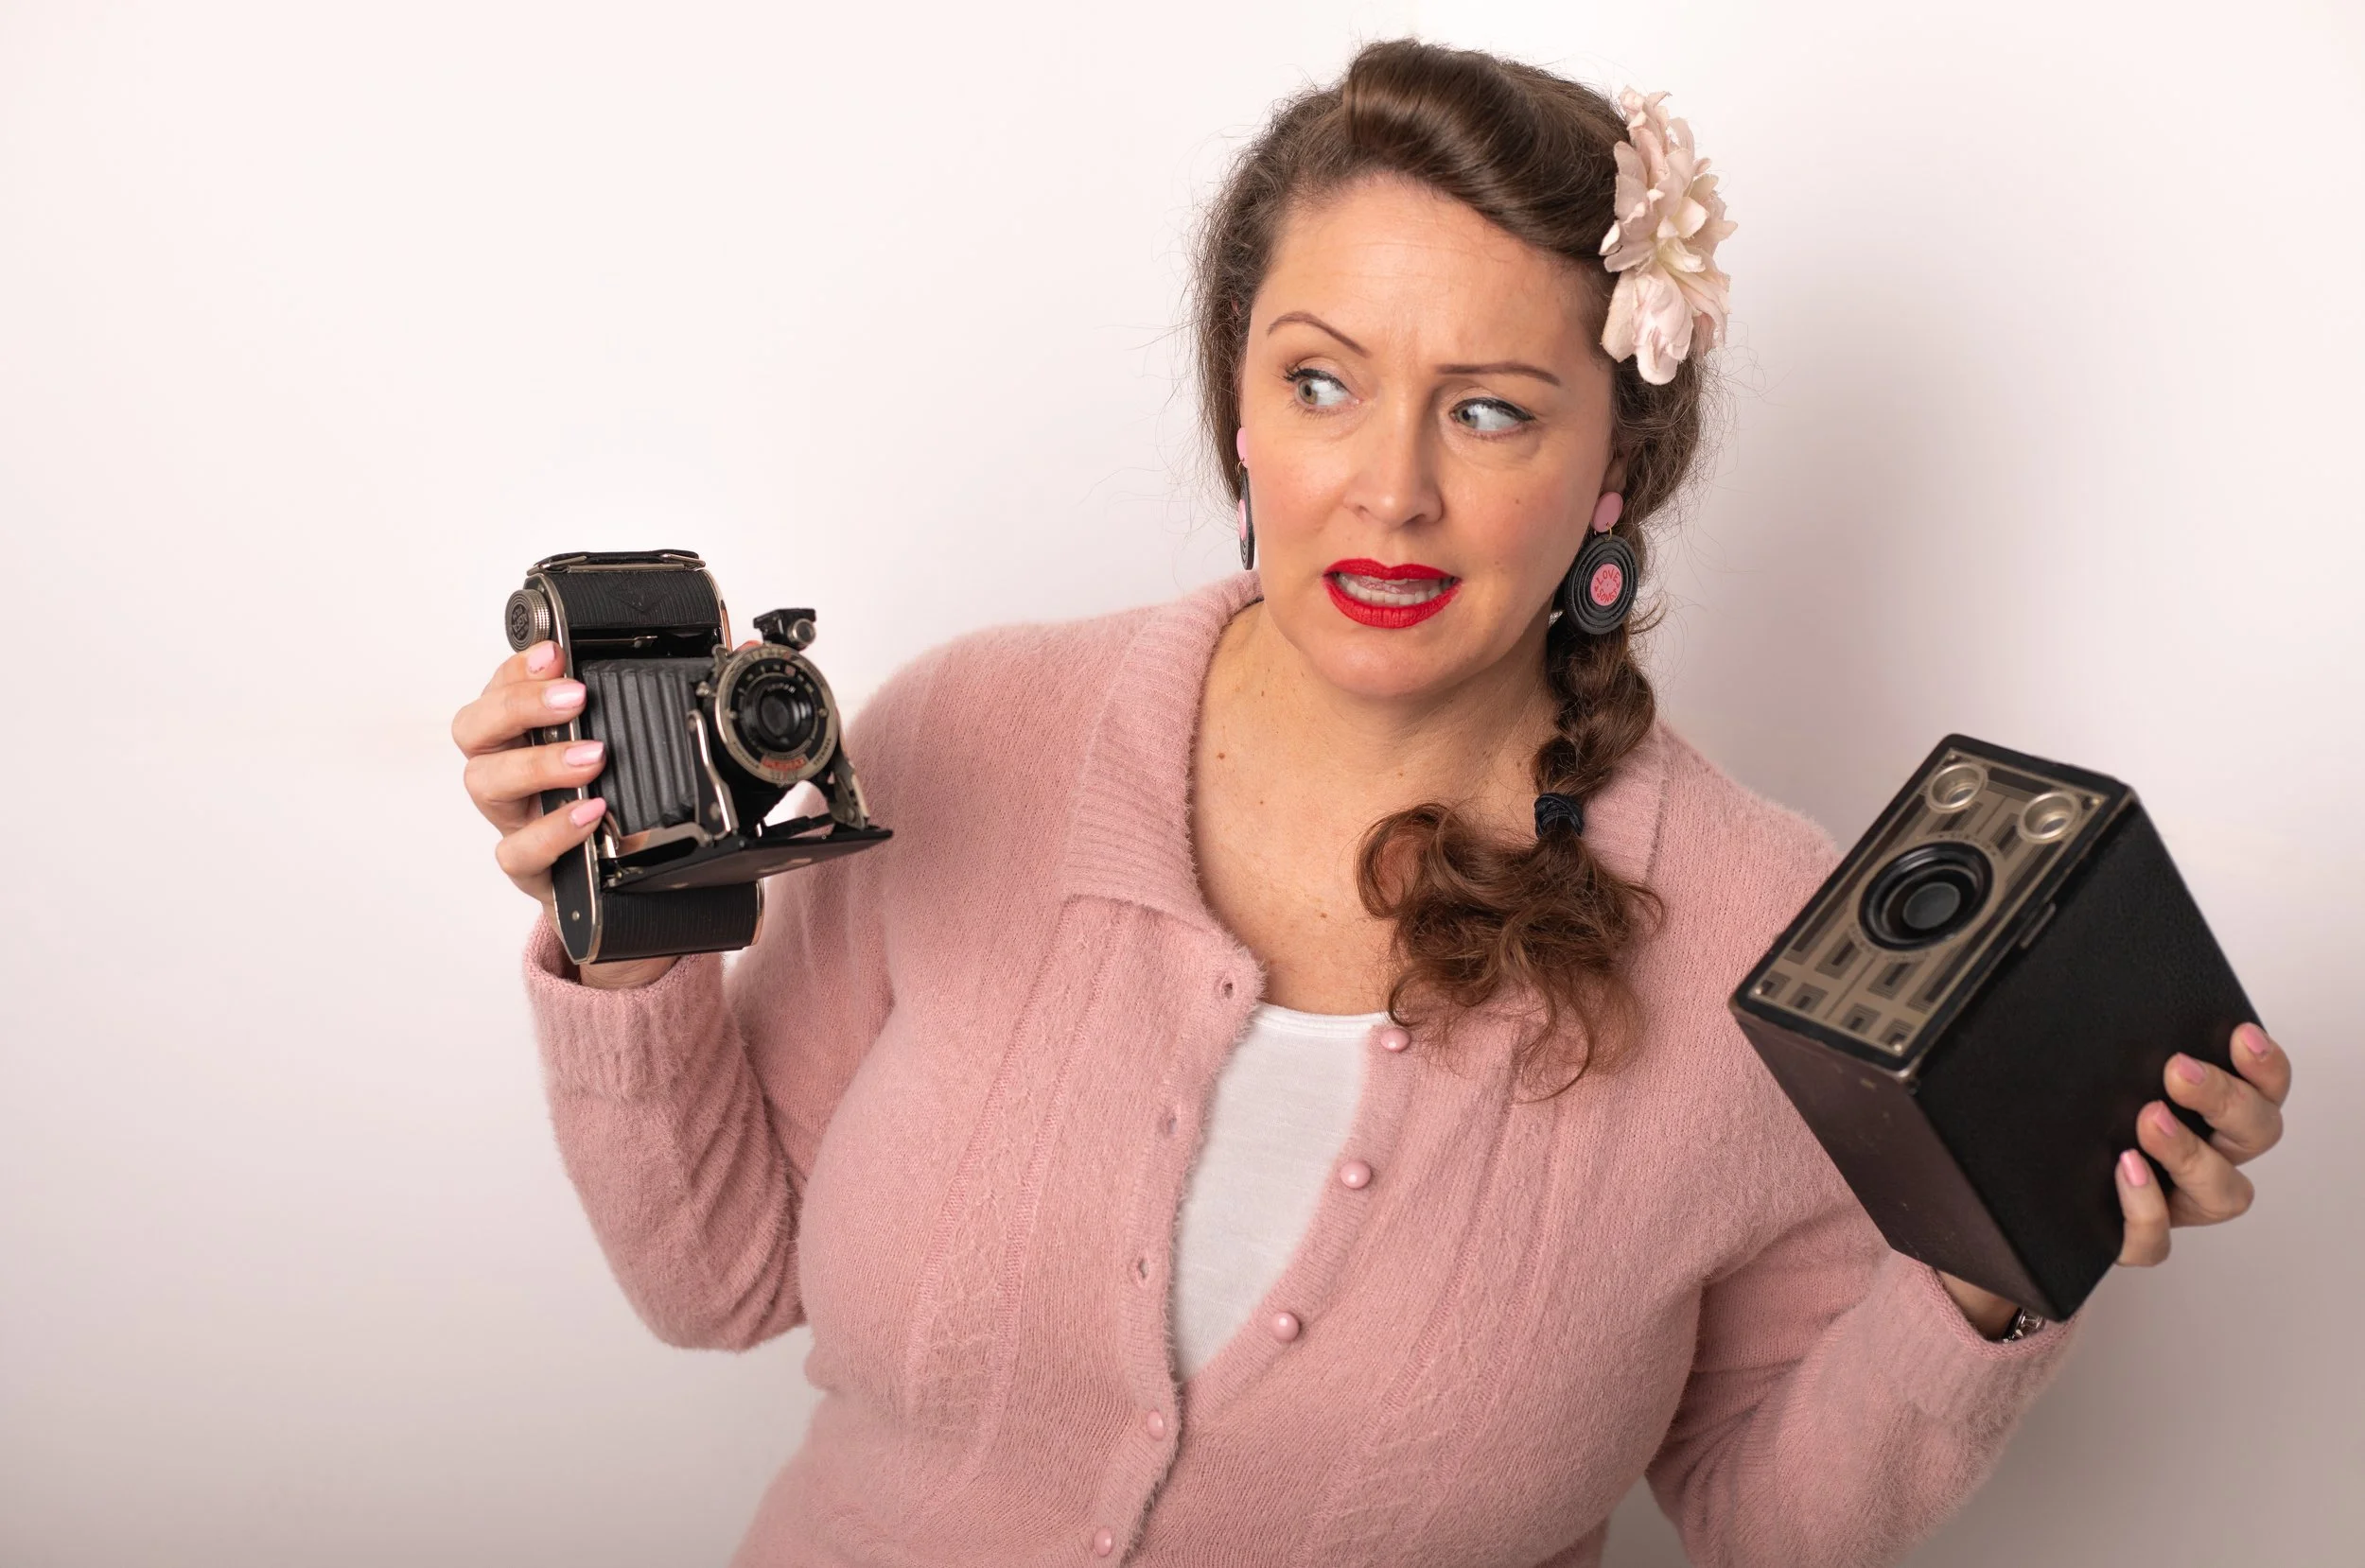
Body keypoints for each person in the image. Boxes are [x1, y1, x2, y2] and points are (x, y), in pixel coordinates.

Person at [450, 39, 2290, 1568]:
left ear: (1611, 464)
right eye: (1320, 381)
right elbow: (719, 1275)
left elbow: (1756, 1511)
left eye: (1486, 411)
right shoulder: (966, 734)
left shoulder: (1762, 929)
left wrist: (1987, 1271)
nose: (1384, 489)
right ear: (1238, 408)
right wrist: (627, 939)